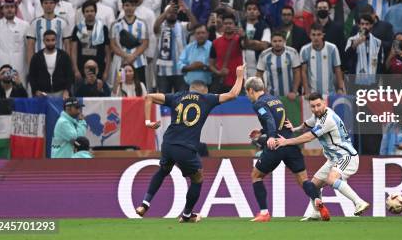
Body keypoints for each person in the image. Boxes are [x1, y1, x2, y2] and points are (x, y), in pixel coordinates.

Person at [135, 66, 244, 222]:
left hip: (168, 144)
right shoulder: (207, 99)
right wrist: (239, 75)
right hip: (185, 147)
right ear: (204, 90)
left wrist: (147, 122)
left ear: (189, 89)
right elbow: (233, 94)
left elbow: (148, 97)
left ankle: (144, 204)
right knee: (197, 178)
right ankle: (187, 215)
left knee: (164, 170)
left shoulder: (177, 96)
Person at [273, 92, 369, 218]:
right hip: (333, 159)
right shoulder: (318, 115)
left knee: (331, 179)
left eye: (318, 105)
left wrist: (287, 142)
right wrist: (294, 129)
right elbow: (307, 124)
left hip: (346, 156)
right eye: (313, 106)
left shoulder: (327, 119)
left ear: (324, 103)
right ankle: (317, 212)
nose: (316, 109)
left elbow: (309, 137)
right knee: (313, 186)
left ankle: (359, 202)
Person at [243, 76, 322, 222]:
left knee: (256, 176)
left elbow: (269, 120)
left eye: (247, 92)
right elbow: (278, 121)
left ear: (250, 90)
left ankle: (264, 213)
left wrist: (271, 136)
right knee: (303, 179)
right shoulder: (275, 99)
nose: (247, 95)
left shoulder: (259, 103)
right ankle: (317, 200)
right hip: (290, 143)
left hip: (277, 145)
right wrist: (262, 131)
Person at [300, 23, 345, 96]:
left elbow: (337, 69)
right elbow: (303, 72)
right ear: (310, 35)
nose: (316, 37)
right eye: (313, 35)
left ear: (323, 35)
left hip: (329, 93)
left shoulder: (332, 48)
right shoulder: (304, 50)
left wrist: (340, 88)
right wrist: (306, 91)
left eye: (318, 34)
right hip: (312, 94)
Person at [28, 29, 73, 98]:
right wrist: (36, 90)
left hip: (61, 93)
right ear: (43, 41)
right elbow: (32, 76)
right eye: (48, 40)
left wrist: (67, 90)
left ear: (56, 41)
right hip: (43, 94)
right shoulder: (36, 57)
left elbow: (69, 75)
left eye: (53, 40)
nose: (50, 42)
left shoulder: (63, 56)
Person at [256, 31, 301, 99]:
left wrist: (294, 91)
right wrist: (263, 91)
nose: (277, 43)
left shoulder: (292, 52)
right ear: (271, 42)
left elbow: (297, 72)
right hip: (271, 96)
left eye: (280, 41)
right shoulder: (264, 55)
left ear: (284, 41)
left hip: (290, 96)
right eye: (275, 41)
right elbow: (259, 74)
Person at [179, 24, 213, 88]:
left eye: (203, 33)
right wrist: (191, 67)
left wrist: (203, 67)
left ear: (208, 34)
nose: (201, 35)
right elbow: (180, 64)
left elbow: (217, 66)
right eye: (198, 33)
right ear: (194, 35)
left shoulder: (213, 47)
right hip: (189, 86)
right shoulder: (188, 47)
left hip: (209, 87)